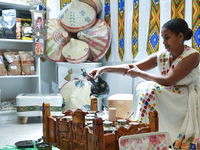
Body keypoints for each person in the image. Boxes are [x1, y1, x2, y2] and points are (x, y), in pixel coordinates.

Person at [89, 18, 200, 144]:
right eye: (162, 37)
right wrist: (104, 69)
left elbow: (168, 81)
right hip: (170, 95)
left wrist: (140, 74)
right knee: (145, 87)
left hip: (186, 97)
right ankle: (145, 132)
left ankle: (153, 136)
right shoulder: (163, 55)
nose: (163, 42)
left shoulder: (192, 56)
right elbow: (133, 67)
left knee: (149, 88)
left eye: (167, 37)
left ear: (180, 36)